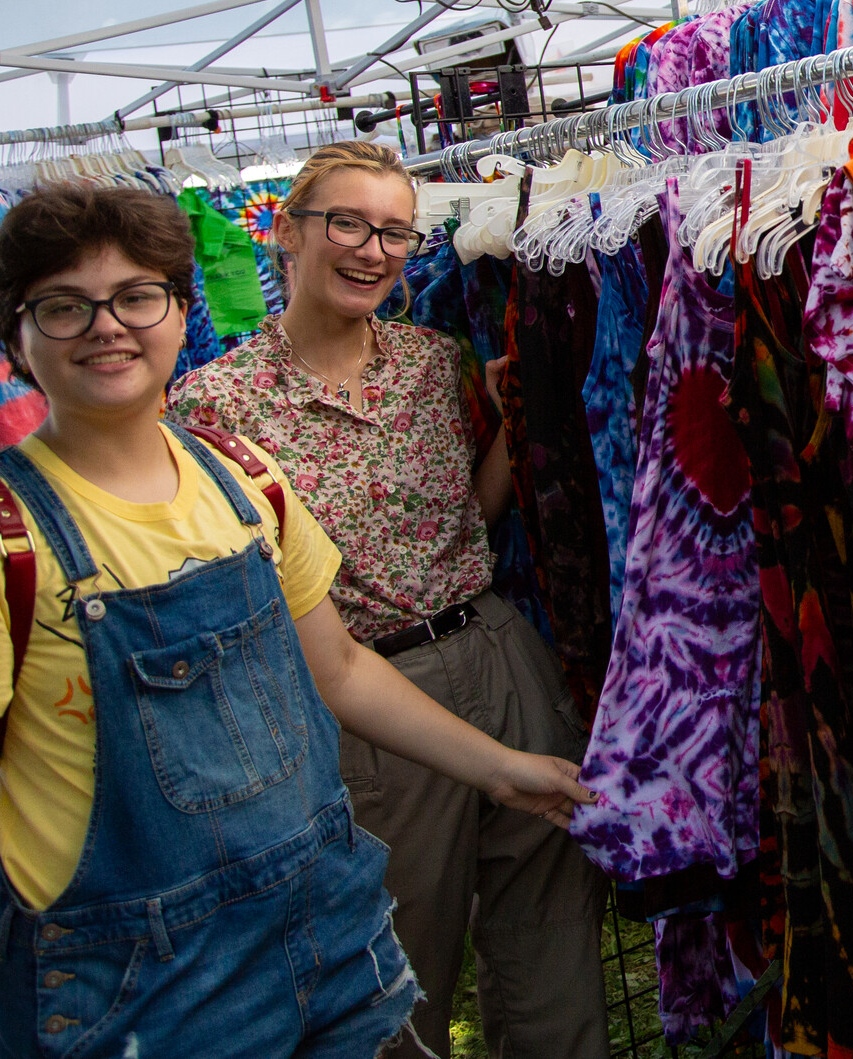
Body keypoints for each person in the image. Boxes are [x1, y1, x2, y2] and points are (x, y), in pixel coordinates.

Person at [0, 183, 589, 1059]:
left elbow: (343, 670)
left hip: (321, 947)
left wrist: (504, 768)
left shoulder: (243, 481)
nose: (108, 326)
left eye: (137, 296)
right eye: (65, 306)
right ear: (15, 334)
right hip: (137, 995)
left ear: (181, 310)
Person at [171, 140, 609, 1059]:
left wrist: (513, 417)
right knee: (398, 977)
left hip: (496, 649)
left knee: (553, 947)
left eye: (395, 231)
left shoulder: (430, 360)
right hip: (368, 703)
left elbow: (473, 514)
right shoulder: (217, 404)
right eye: (348, 223)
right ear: (285, 231)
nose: (373, 249)